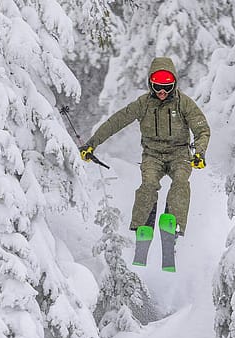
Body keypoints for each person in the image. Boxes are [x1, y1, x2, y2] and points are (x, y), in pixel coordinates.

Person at [80, 57, 210, 237]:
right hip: (152, 154)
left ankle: (173, 226)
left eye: (167, 87)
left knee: (180, 182)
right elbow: (115, 122)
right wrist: (91, 144)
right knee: (148, 185)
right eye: (157, 87)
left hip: (179, 153)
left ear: (174, 85)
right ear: (150, 85)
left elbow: (202, 129)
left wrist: (199, 153)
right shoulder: (143, 103)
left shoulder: (183, 103)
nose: (162, 92)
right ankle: (143, 227)